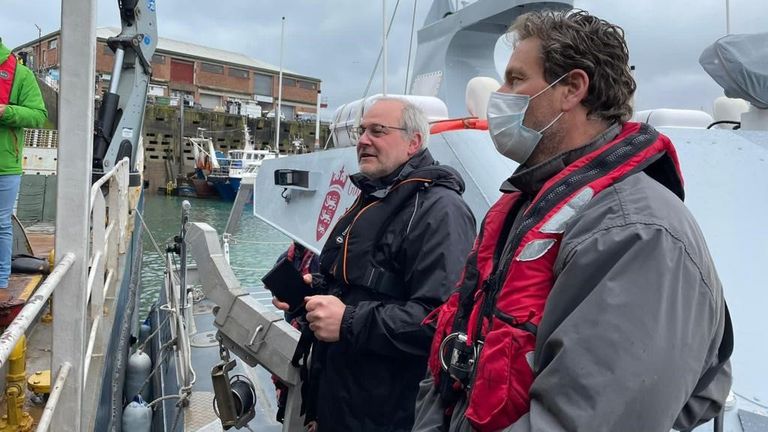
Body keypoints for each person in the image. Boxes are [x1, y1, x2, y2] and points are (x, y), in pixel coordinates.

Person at [413, 10, 732, 432]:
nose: (500, 94)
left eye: (515, 79)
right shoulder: (525, 207)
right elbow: (449, 375)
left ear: (572, 89)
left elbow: (586, 419)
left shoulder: (635, 232)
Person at [273, 98, 476, 432]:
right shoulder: (376, 195)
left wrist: (348, 320)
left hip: (388, 416)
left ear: (414, 142)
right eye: (361, 130)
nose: (363, 140)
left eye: (378, 131)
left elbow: (439, 323)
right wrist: (313, 293)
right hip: (340, 405)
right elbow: (363, 287)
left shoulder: (441, 211)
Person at [0, 38, 48, 289]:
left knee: (1, 223)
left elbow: (39, 115)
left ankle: (0, 282)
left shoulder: (21, 73)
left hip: (4, 165)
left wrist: (5, 112)